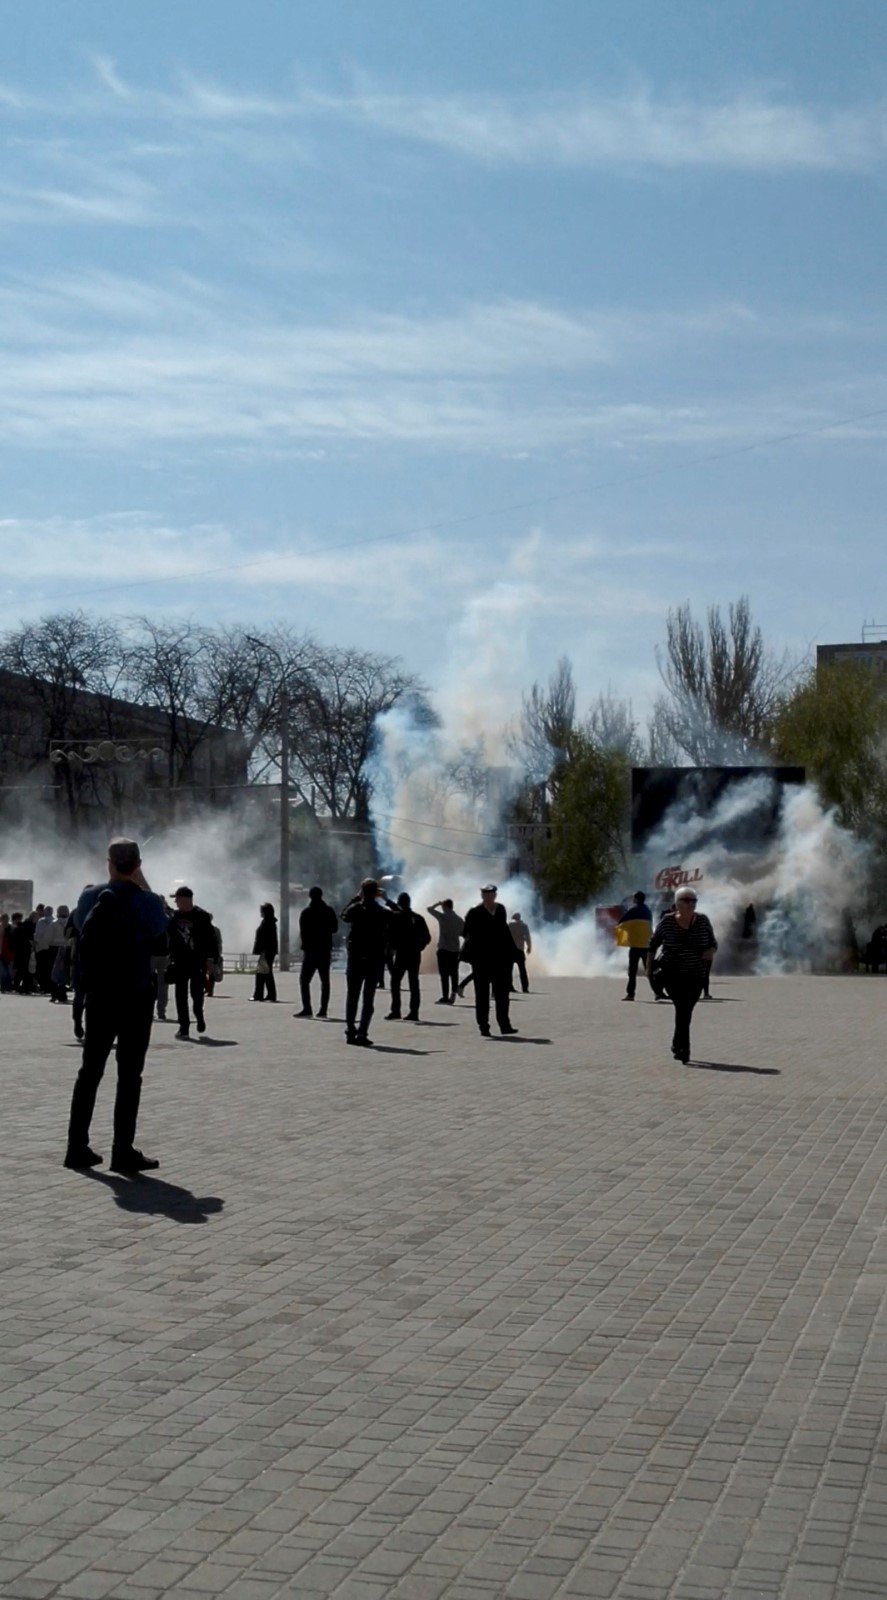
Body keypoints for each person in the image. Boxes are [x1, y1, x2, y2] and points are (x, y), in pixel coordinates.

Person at [63, 838, 169, 1174]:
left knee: (89, 1073)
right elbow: (159, 936)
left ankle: (76, 1147)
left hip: (99, 996)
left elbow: (80, 928)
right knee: (129, 1076)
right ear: (138, 864)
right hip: (135, 996)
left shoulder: (89, 897)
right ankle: (122, 1152)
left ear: (108, 862)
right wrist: (141, 882)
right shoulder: (149, 902)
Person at [648, 885, 717, 1064]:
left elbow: (713, 943)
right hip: (673, 974)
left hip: (696, 974)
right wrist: (649, 970)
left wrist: (710, 951)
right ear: (677, 904)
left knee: (686, 1010)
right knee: (682, 1008)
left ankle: (676, 1043)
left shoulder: (703, 921)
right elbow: (653, 944)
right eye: (686, 901)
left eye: (693, 901)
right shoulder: (667, 922)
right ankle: (685, 1049)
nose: (690, 904)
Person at [340, 878, 397, 1045]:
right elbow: (401, 915)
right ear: (376, 893)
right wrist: (387, 899)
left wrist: (356, 898)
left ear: (362, 891)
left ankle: (351, 1030)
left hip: (356, 958)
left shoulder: (356, 909)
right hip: (374, 958)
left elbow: (343, 915)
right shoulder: (381, 910)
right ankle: (362, 1033)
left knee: (352, 997)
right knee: (368, 998)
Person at [462, 884, 517, 1038]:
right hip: (481, 960)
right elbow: (465, 932)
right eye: (486, 894)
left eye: (492, 894)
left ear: (495, 896)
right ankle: (484, 1026)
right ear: (482, 896)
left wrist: (511, 953)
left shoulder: (501, 910)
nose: (489, 897)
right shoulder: (474, 912)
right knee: (482, 995)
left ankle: (505, 1025)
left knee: (502, 995)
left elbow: (503, 931)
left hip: (500, 960)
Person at [168, 886, 216, 1039]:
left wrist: (211, 960)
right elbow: (169, 936)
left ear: (185, 899)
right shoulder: (174, 917)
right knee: (180, 995)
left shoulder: (201, 916)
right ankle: (184, 1027)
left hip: (197, 961)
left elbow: (211, 940)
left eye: (177, 898)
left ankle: (199, 1017)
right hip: (180, 962)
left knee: (197, 994)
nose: (175, 901)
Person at [385, 892, 431, 1021]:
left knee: (395, 982)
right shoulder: (418, 918)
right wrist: (419, 947)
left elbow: (390, 933)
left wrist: (393, 946)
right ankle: (414, 1012)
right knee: (413, 983)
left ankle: (396, 1010)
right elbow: (427, 937)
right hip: (414, 954)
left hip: (402, 953)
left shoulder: (398, 917)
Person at [294, 887, 338, 1018]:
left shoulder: (306, 912)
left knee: (304, 981)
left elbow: (303, 932)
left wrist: (304, 946)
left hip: (311, 951)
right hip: (325, 950)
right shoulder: (329, 911)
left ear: (310, 896)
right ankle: (323, 1010)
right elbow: (335, 929)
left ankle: (307, 1008)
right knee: (325, 981)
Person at [616, 891, 653, 1001]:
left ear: (636, 899)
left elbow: (621, 922)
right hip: (646, 944)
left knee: (632, 972)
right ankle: (658, 992)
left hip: (635, 945)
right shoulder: (648, 911)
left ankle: (631, 994)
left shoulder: (632, 910)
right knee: (649, 970)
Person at [427, 898, 464, 1004]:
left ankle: (445, 996)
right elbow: (464, 933)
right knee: (454, 973)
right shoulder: (459, 919)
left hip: (444, 949)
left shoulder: (442, 917)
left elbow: (429, 909)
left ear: (445, 906)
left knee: (444, 975)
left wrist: (437, 904)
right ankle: (453, 993)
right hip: (455, 949)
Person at [252, 903, 279, 1002]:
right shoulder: (269, 922)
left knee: (261, 973)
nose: (260, 913)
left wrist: (260, 950)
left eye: (262, 911)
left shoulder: (267, 923)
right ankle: (270, 995)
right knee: (267, 973)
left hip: (266, 951)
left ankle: (259, 995)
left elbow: (264, 938)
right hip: (268, 951)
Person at [48, 904, 70, 1002]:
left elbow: (48, 937)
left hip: (54, 948)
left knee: (53, 971)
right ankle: (62, 994)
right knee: (63, 971)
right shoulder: (70, 923)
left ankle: (54, 994)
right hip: (66, 948)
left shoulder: (53, 923)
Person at [508, 911, 532, 993]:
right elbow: (527, 937)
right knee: (522, 970)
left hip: (509, 950)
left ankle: (509, 986)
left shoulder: (508, 925)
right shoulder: (523, 925)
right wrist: (529, 947)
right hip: (519, 949)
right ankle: (525, 988)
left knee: (508, 969)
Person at [33, 904, 55, 994]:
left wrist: (36, 943)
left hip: (41, 948)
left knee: (41, 968)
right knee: (50, 968)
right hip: (51, 947)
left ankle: (43, 986)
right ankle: (50, 986)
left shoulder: (41, 921)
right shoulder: (54, 921)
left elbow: (37, 935)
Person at [0, 913, 14, 993]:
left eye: (6, 919)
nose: (4, 920)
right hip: (1, 951)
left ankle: (7, 985)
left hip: (9, 952)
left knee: (8, 970)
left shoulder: (11, 928)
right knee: (3, 970)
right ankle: (4, 986)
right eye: (3, 919)